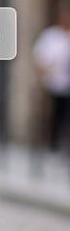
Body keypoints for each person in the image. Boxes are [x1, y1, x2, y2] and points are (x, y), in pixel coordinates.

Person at [33, 11, 70, 151]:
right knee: (54, 113)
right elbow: (40, 58)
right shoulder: (51, 36)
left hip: (66, 83)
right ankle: (51, 143)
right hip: (52, 82)